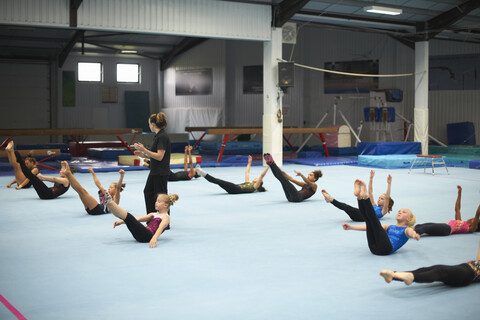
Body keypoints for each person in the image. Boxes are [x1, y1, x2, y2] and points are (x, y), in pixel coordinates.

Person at [342, 178, 420, 255]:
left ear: (408, 219)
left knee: (374, 221)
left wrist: (414, 235)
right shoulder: (389, 226)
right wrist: (351, 227)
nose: (400, 212)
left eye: (404, 212)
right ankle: (359, 197)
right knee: (369, 223)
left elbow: (410, 232)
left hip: (386, 249)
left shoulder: (406, 230)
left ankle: (365, 197)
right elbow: (366, 227)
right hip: (373, 248)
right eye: (399, 211)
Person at [380, 239, 480, 287]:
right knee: (427, 269)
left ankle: (411, 277)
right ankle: (394, 275)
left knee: (440, 271)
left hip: (467, 274)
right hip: (463, 268)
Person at [106, 192, 177, 248]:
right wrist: (121, 222)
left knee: (129, 217)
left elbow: (161, 228)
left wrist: (154, 238)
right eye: (156, 201)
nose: (156, 203)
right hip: (141, 236)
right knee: (128, 219)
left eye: (159, 201)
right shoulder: (154, 214)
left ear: (166, 205)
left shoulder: (166, 217)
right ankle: (108, 204)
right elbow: (138, 219)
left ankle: (110, 202)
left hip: (148, 236)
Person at [134, 112, 171, 216]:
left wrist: (144, 149)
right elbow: (156, 155)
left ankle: (164, 221)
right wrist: (144, 154)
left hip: (161, 172)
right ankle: (152, 217)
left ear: (153, 124)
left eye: (149, 123)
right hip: (155, 171)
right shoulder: (157, 136)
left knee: (162, 197)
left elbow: (160, 156)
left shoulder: (162, 136)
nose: (149, 126)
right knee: (148, 192)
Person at [322, 170, 394, 221]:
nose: (379, 199)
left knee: (347, 207)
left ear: (387, 203)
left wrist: (389, 184)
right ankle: (359, 194)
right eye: (379, 198)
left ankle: (359, 194)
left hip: (364, 217)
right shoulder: (374, 204)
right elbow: (371, 192)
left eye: (382, 199)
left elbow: (387, 197)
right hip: (358, 214)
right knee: (345, 207)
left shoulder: (384, 210)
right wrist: (371, 178)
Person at [60, 161, 125, 215]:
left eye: (111, 187)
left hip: (99, 210)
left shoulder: (116, 198)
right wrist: (93, 172)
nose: (109, 188)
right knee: (80, 192)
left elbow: (118, 187)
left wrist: (121, 176)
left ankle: (69, 173)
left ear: (116, 190)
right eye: (109, 187)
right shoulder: (106, 193)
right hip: (91, 209)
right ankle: (68, 175)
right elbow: (98, 184)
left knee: (82, 191)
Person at [414, 185, 480, 236]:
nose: (472, 219)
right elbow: (457, 209)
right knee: (420, 226)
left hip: (446, 229)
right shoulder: (461, 221)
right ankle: (408, 230)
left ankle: (407, 233)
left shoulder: (470, 229)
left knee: (424, 228)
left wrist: (476, 218)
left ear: (476, 225)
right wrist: (459, 193)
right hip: (444, 225)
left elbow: (477, 214)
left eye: (474, 220)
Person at [194, 155, 268, 194]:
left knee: (217, 181)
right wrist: (249, 163)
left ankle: (201, 172)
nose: (256, 178)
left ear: (259, 183)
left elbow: (262, 175)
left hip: (235, 188)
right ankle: (202, 173)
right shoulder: (248, 183)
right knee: (217, 181)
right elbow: (247, 172)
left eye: (257, 179)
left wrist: (269, 165)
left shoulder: (254, 187)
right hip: (233, 189)